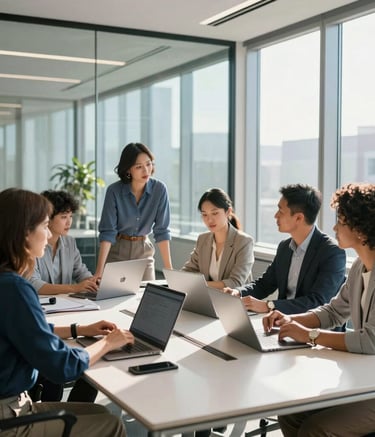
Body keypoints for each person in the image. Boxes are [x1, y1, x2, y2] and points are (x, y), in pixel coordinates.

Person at [0, 187, 133, 437]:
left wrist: (79, 330)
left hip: (13, 406)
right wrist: (106, 343)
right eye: (44, 226)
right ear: (24, 234)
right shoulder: (16, 289)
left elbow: (29, 333)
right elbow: (62, 366)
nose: (49, 232)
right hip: (10, 419)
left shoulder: (6, 282)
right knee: (112, 424)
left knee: (101, 413)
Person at [263, 182, 375, 437]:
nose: (334, 227)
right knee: (291, 412)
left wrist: (309, 335)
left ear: (361, 229)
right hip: (366, 377)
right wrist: (290, 320)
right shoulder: (359, 268)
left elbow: (370, 339)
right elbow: (334, 312)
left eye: (342, 221)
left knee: (317, 429)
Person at [224, 183, 346, 314]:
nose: (276, 215)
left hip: (314, 330)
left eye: (281, 211)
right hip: (281, 322)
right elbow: (265, 284)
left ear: (299, 217)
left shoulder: (332, 252)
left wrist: (268, 306)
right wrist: (238, 292)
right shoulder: (284, 247)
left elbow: (317, 301)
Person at [95, 142, 172, 281]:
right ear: (128, 170)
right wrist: (99, 272)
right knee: (113, 299)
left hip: (144, 252)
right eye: (139, 167)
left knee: (147, 298)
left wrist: (169, 270)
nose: (146, 171)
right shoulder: (114, 191)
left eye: (148, 164)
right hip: (117, 250)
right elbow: (108, 232)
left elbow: (162, 231)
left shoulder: (159, 190)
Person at [182, 188, 254, 289]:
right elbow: (189, 270)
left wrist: (199, 285)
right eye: (204, 214)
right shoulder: (203, 239)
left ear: (228, 212)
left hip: (234, 301)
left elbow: (235, 283)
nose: (209, 219)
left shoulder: (244, 242)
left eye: (215, 213)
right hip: (208, 299)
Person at [29, 190, 98, 295]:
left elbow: (80, 272)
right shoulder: (34, 244)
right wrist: (75, 288)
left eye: (71, 216)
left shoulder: (69, 242)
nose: (69, 222)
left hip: (65, 305)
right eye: (64, 217)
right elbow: (34, 284)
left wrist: (92, 281)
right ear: (48, 218)